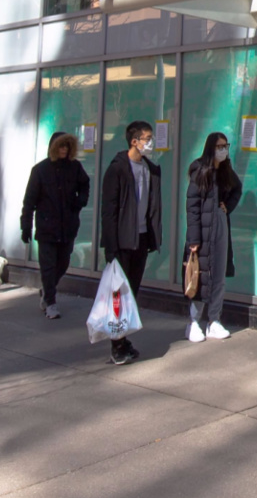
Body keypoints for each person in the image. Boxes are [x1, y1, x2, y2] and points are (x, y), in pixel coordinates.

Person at [100, 120, 162, 365]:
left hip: (141, 238)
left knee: (131, 292)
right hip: (122, 241)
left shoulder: (150, 168)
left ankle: (123, 340)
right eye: (147, 138)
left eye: (151, 137)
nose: (150, 142)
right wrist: (111, 247)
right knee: (119, 294)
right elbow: (109, 210)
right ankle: (117, 344)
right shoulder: (117, 169)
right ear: (134, 141)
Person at [20, 132, 90, 320]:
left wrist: (80, 201)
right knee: (48, 265)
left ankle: (47, 290)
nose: (64, 150)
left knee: (63, 262)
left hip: (67, 225)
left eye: (67, 147)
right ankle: (50, 302)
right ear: (53, 148)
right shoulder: (40, 170)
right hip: (47, 226)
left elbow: (85, 184)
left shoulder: (75, 168)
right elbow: (29, 201)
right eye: (60, 146)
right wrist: (26, 226)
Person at [184, 132, 242, 343]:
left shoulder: (226, 170)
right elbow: (192, 207)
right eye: (219, 146)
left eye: (225, 146)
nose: (223, 150)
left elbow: (237, 189)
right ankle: (193, 322)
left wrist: (227, 207)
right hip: (202, 230)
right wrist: (193, 239)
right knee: (199, 276)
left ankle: (214, 320)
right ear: (211, 148)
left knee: (218, 275)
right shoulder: (200, 170)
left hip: (220, 225)